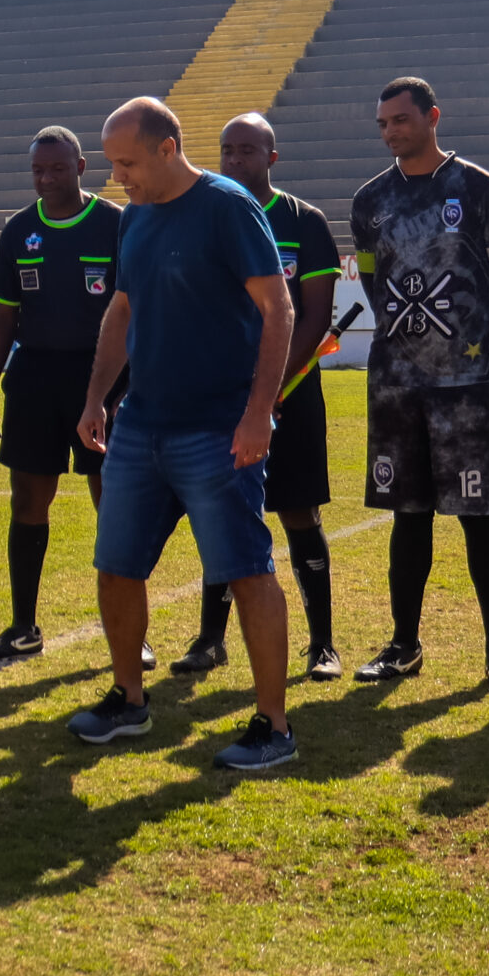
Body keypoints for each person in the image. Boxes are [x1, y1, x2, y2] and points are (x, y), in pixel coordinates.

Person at [62, 97, 297, 770]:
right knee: (115, 567)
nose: (120, 178)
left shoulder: (227, 208)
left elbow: (276, 308)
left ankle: (273, 725)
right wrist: (96, 397)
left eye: (128, 162)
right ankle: (129, 699)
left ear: (168, 149)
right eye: (113, 164)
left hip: (217, 431)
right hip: (142, 426)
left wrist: (258, 414)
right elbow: (123, 310)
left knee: (247, 572)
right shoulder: (135, 217)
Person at [350, 77, 489, 689]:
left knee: (480, 519)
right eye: (383, 124)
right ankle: (404, 644)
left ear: (432, 117)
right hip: (396, 386)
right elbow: (376, 284)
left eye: (401, 120)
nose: (391, 132)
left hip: (466, 387)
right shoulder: (369, 200)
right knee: (408, 516)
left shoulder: (480, 190)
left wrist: (474, 349)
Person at [174, 114, 344, 680]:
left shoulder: (305, 221)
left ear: (272, 157)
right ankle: (209, 639)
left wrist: (268, 389)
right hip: (223, 396)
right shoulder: (204, 219)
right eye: (226, 150)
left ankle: (322, 644)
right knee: (223, 514)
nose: (234, 159)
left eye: (247, 150)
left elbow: (315, 313)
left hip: (290, 394)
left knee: (298, 511)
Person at [0, 126, 125, 661]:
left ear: (81, 168)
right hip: (34, 379)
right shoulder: (18, 231)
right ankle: (23, 626)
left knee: (115, 504)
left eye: (57, 168)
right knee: (28, 499)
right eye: (38, 170)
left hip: (103, 379)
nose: (46, 178)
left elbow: (138, 313)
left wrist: (131, 386)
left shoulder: (115, 225)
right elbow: (3, 317)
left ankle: (130, 635)